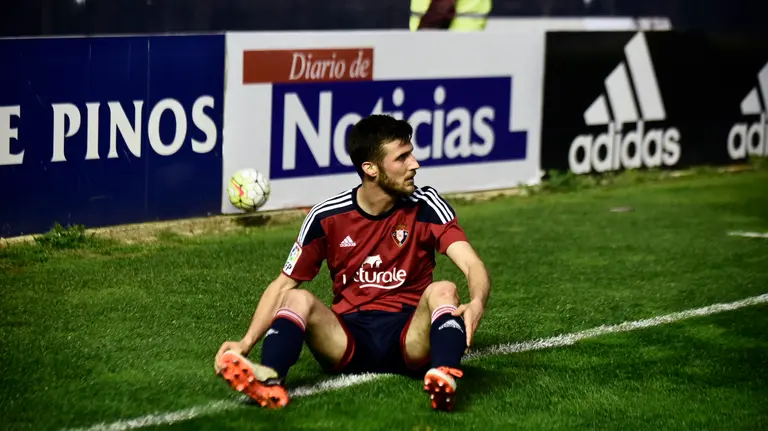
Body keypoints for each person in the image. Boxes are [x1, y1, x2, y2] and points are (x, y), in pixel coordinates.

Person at [214, 114, 491, 411]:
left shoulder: (427, 205)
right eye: (402, 157)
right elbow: (283, 283)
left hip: (409, 335)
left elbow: (472, 264)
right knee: (294, 297)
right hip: (346, 339)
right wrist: (245, 343)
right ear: (370, 168)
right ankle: (269, 381)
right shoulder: (326, 216)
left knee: (444, 289)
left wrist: (477, 302)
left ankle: (444, 376)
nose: (415, 164)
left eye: (411, 153)